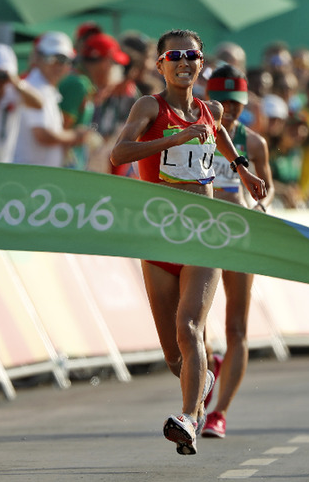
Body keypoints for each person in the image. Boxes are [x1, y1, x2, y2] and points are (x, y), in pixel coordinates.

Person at [110, 29, 267, 455]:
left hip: (203, 235)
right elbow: (119, 154)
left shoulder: (210, 109)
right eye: (174, 55)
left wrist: (244, 170)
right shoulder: (150, 106)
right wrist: (173, 139)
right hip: (159, 239)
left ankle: (190, 417)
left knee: (189, 327)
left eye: (192, 55)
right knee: (174, 357)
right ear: (160, 64)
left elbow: (220, 135)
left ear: (201, 63)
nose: (184, 61)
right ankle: (202, 384)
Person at [201, 64, 274, 439]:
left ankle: (220, 413)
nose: (229, 110)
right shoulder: (197, 132)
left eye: (236, 103)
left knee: (237, 328)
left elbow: (268, 189)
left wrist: (256, 204)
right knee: (193, 324)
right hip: (201, 236)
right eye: (222, 102)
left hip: (240, 238)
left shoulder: (255, 143)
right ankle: (210, 365)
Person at [13, 31, 89, 167]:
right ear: (38, 58)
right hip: (28, 176)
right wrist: (76, 135)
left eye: (64, 60)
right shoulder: (34, 87)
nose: (58, 65)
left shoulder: (45, 88)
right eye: (52, 58)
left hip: (35, 176)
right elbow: (42, 135)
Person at [59, 32, 130, 170]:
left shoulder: (85, 84)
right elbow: (61, 132)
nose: (117, 69)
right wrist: (85, 136)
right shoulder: (78, 85)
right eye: (114, 63)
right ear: (104, 62)